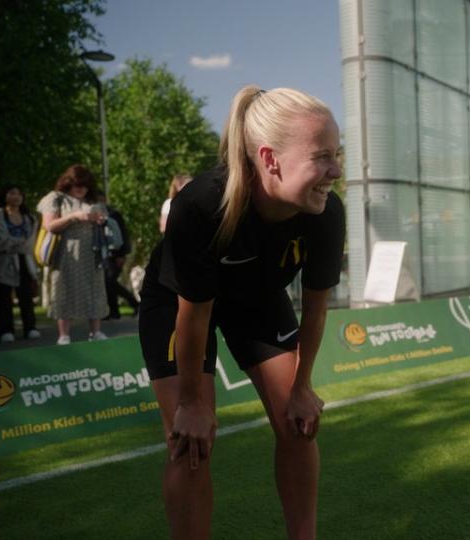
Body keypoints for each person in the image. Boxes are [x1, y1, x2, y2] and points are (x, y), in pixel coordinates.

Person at [138, 86, 345, 539]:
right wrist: (191, 403)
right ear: (270, 159)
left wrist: (303, 386)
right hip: (179, 307)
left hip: (257, 298)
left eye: (338, 153)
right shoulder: (203, 205)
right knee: (190, 444)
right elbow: (194, 315)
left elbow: (315, 307)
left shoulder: (326, 213)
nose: (336, 170)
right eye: (322, 156)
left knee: (298, 424)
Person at [37, 165, 110, 344]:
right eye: (77, 184)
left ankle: (96, 332)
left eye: (85, 185)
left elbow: (106, 223)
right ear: (68, 183)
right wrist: (75, 216)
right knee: (63, 289)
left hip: (92, 253)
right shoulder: (56, 198)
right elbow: (50, 226)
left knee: (95, 289)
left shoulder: (94, 201)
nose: (81, 188)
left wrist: (99, 220)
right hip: (66, 252)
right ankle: (64, 335)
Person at [0, 186, 41, 341]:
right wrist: (18, 244)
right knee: (3, 296)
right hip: (2, 260)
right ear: (4, 196)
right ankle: (6, 330)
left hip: (25, 260)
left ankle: (30, 327)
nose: (16, 196)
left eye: (19, 193)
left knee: (26, 294)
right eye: (12, 193)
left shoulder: (30, 218)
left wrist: (23, 246)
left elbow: (32, 242)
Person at [96, 194, 139, 319]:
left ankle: (134, 303)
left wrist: (121, 254)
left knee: (109, 282)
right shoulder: (94, 216)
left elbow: (122, 235)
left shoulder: (113, 214)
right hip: (104, 255)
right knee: (108, 283)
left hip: (115, 254)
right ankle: (114, 311)